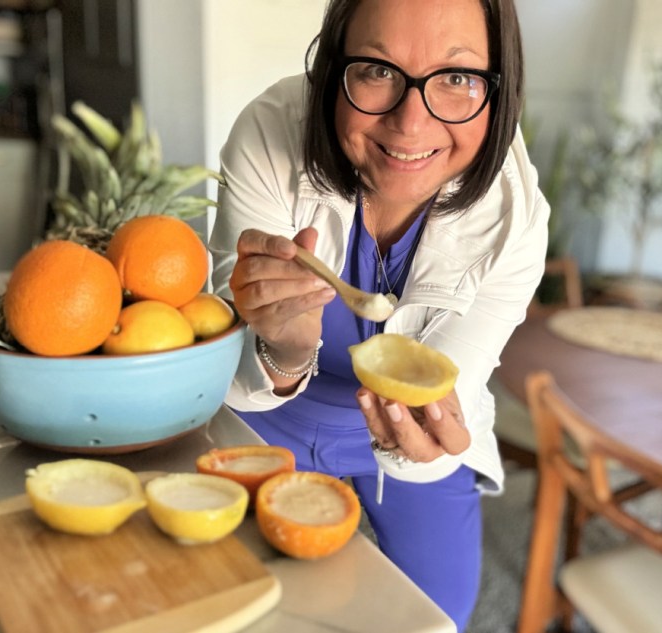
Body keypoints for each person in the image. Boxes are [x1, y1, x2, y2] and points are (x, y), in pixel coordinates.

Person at [209, 0, 548, 628]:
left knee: (437, 617)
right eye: (377, 70)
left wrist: (421, 444)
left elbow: (448, 400)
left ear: (500, 88)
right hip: (265, 416)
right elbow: (229, 372)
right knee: (223, 604)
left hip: (410, 445)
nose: (410, 125)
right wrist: (280, 349)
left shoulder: (516, 222)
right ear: (332, 67)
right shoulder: (269, 132)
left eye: (456, 78)